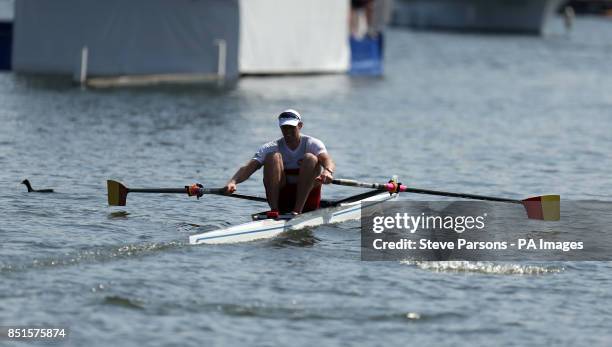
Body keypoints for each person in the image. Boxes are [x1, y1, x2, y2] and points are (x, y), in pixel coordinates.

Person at [224, 109, 335, 216]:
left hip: (309, 200)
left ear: (300, 126)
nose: (287, 131)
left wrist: (328, 171)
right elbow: (249, 167)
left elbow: (327, 159)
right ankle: (274, 210)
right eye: (284, 127)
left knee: (310, 158)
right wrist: (233, 182)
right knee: (273, 157)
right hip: (283, 200)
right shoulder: (271, 147)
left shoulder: (312, 143)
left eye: (291, 127)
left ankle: (297, 211)